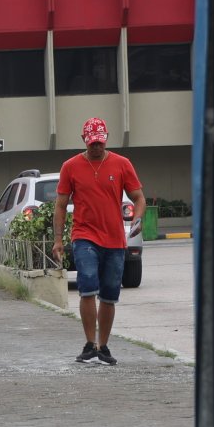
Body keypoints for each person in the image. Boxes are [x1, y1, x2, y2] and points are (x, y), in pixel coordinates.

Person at [52, 117, 146, 366]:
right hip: (84, 236)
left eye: (100, 142)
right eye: (92, 143)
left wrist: (136, 220)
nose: (96, 147)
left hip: (114, 240)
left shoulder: (122, 164)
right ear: (84, 140)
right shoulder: (70, 167)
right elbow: (60, 205)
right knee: (88, 285)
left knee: (109, 294)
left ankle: (102, 347)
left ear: (106, 139)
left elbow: (139, 198)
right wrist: (58, 240)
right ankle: (89, 344)